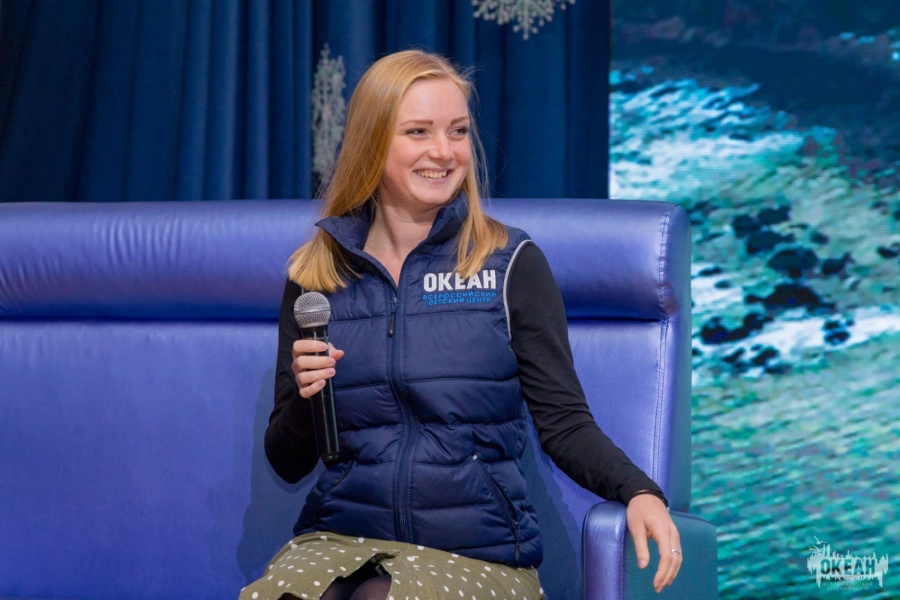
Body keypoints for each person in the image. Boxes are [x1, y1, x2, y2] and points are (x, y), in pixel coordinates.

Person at [241, 49, 682, 600]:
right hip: (338, 541)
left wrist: (638, 490)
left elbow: (565, 423)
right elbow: (287, 463)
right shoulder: (316, 275)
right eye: (418, 132)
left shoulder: (509, 263)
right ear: (371, 142)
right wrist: (308, 401)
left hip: (477, 556)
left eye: (457, 131)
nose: (444, 152)